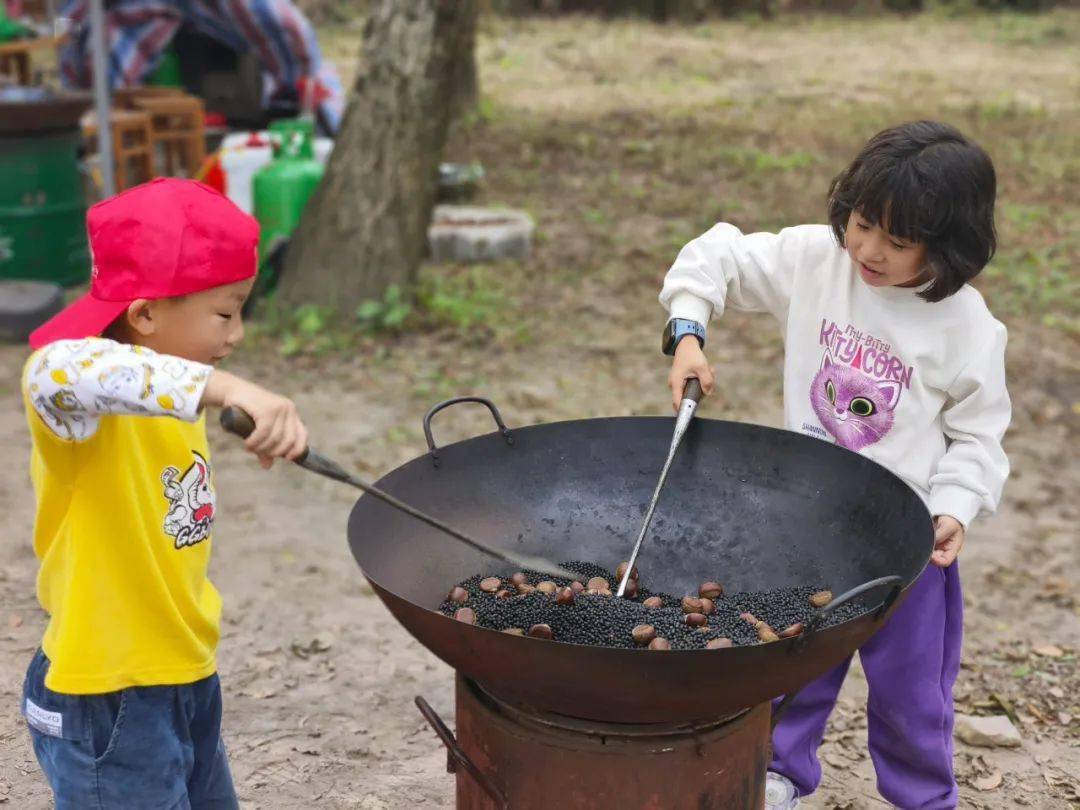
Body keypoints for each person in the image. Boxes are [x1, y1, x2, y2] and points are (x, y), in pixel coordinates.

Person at [659, 121, 1010, 809]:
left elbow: (978, 437)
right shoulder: (817, 260)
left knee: (913, 697)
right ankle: (781, 773)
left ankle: (921, 798)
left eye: (898, 241)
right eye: (861, 223)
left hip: (905, 545)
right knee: (789, 660)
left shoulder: (967, 328)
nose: (869, 250)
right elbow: (717, 256)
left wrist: (955, 508)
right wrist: (687, 331)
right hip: (804, 521)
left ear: (948, 248)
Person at [20, 178, 308, 808]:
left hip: (183, 673)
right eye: (225, 313)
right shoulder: (77, 400)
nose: (236, 335)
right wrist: (231, 388)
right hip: (109, 691)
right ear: (145, 314)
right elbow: (57, 367)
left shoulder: (171, 395)